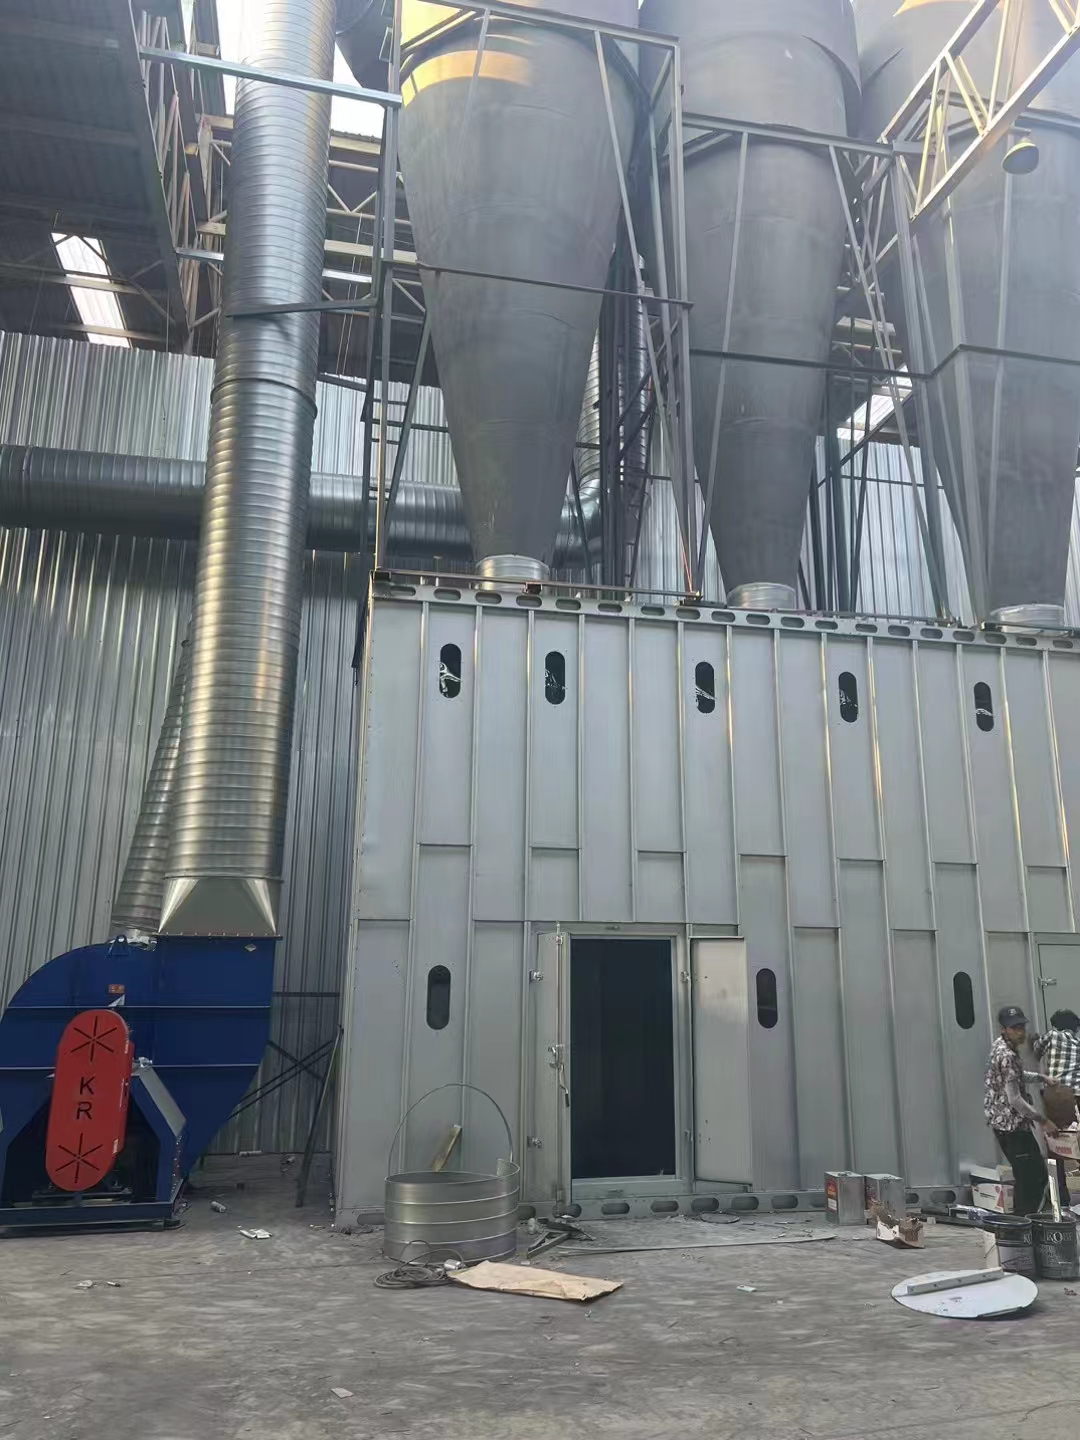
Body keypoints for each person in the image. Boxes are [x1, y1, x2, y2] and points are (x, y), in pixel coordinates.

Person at [984, 1005, 1057, 1217]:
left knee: (1030, 1176)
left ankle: (1023, 1220)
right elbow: (1015, 1099)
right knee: (1033, 1177)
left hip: (1007, 1124)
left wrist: (1042, 1078)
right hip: (1011, 1126)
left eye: (1022, 1027)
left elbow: (1015, 1075)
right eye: (1015, 1028)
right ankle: (1023, 1221)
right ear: (1003, 1029)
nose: (1021, 1032)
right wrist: (1043, 1120)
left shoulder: (1001, 1047)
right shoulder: (1006, 1054)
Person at [1033, 1008, 1080, 1203]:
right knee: (1077, 1141)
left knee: (1056, 1145)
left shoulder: (1052, 1035)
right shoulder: (1077, 1043)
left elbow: (1036, 1051)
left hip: (1058, 1094)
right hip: (1077, 1093)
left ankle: (1061, 1197)